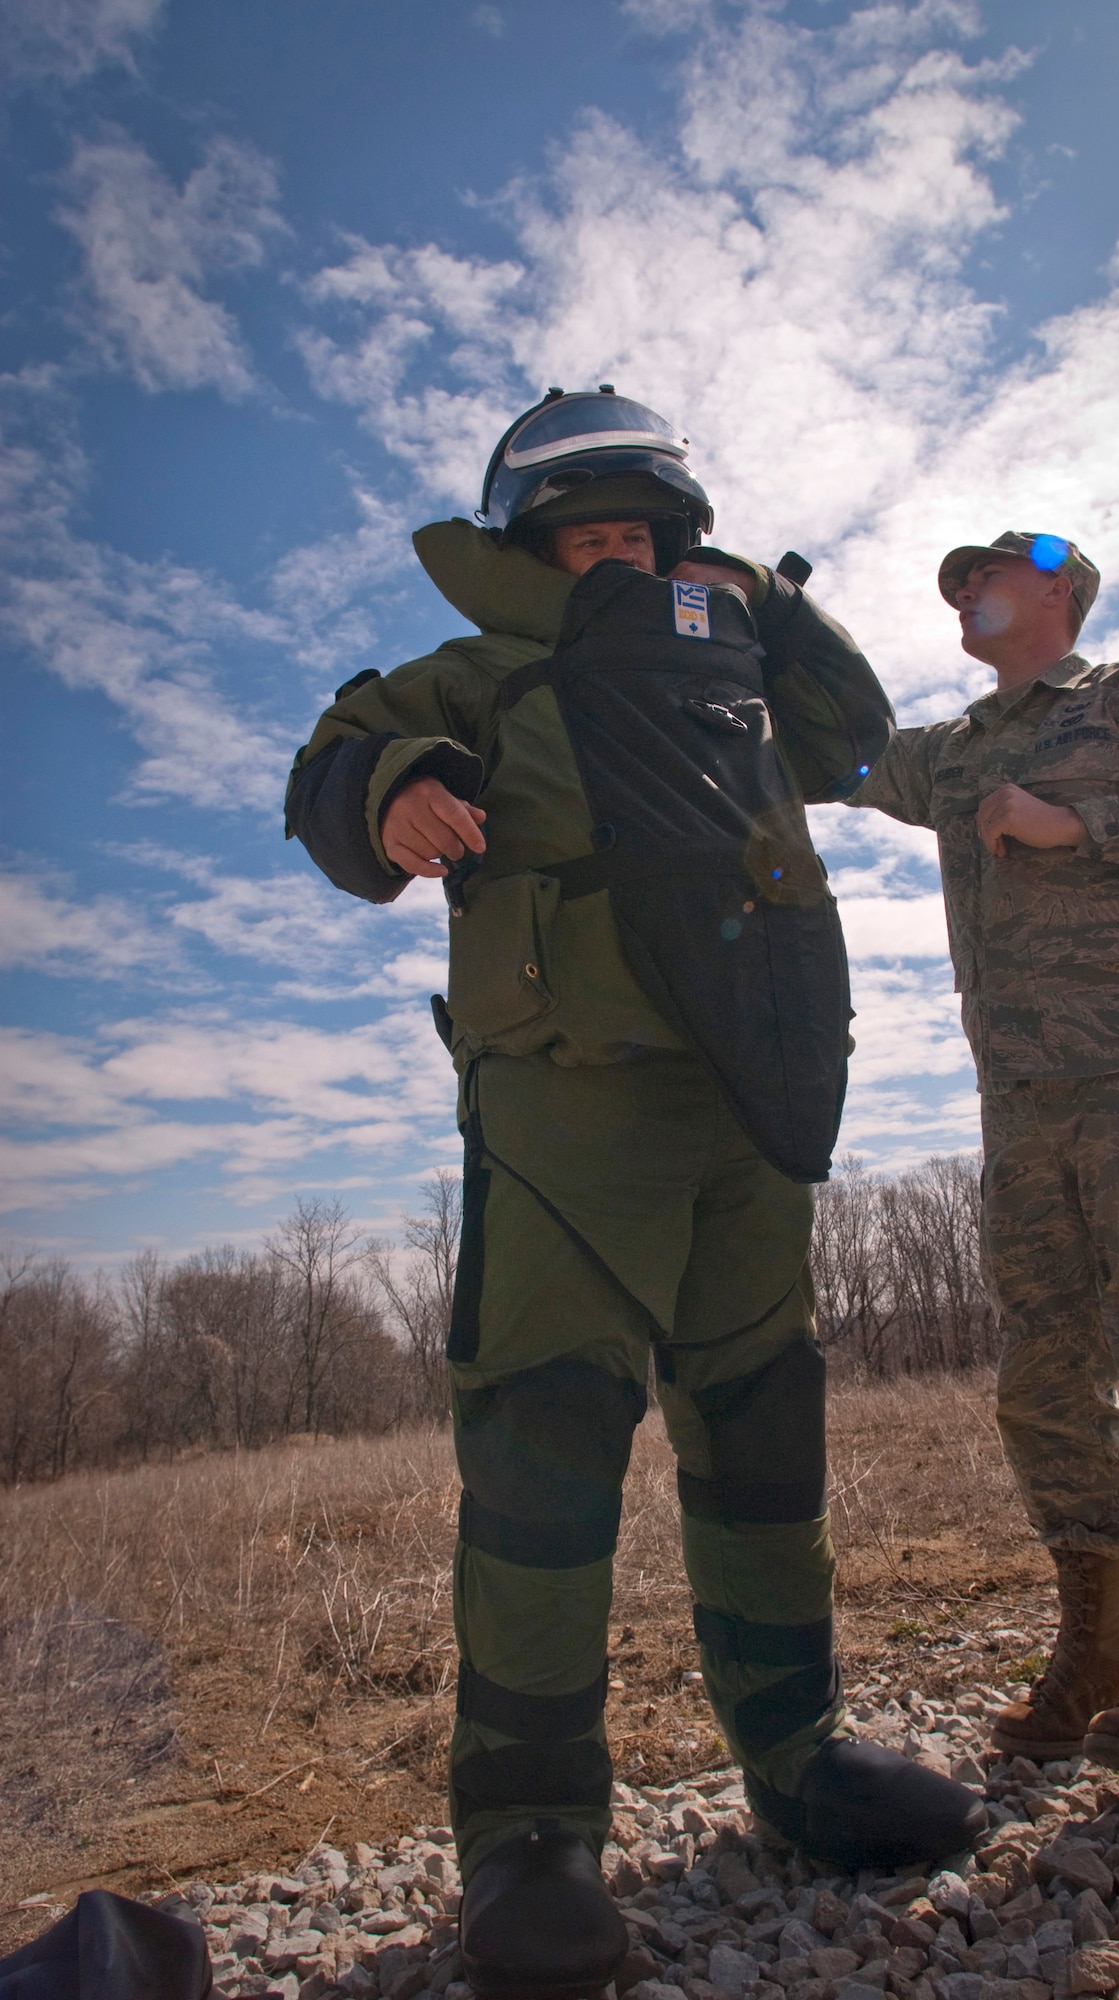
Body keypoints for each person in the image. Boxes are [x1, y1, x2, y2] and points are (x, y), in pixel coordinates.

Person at [286, 388, 985, 1999]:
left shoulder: (742, 682)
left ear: (679, 542)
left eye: (638, 536)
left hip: (741, 1100)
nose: (614, 557)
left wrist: (778, 610)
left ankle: (798, 1758)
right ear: (533, 548)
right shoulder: (477, 671)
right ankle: (528, 1835)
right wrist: (388, 786)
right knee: (543, 1458)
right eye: (582, 537)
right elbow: (327, 769)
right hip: (566, 1109)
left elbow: (859, 743)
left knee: (763, 1433)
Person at [851, 530, 1119, 1778]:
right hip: (1021, 1103)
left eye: (989, 570)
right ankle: (1101, 1640)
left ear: (1060, 588)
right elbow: (838, 750)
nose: (963, 592)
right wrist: (750, 615)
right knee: (1044, 1377)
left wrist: (1075, 821)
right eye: (951, 583)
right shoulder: (951, 753)